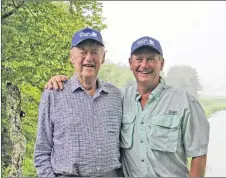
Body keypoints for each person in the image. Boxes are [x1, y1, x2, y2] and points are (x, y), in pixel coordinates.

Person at [45, 36, 210, 177]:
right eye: (139, 59)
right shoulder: (119, 97)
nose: (144, 65)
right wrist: (60, 80)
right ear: (131, 63)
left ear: (162, 63)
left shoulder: (185, 102)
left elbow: (198, 156)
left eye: (151, 59)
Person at [34, 27, 123, 177]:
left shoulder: (115, 95)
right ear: (72, 57)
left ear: (103, 58)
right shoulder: (54, 94)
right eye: (82, 52)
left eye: (95, 52)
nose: (88, 58)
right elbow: (42, 152)